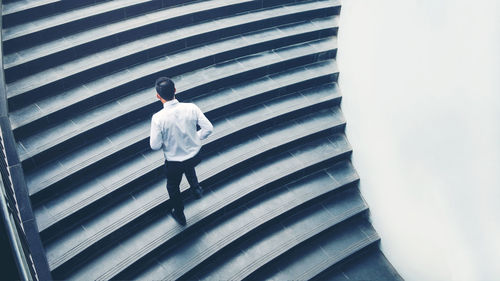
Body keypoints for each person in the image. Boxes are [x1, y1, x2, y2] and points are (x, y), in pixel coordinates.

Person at [150, 77, 213, 225]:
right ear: (175, 90)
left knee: (173, 187)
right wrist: (195, 138)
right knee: (189, 166)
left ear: (158, 96)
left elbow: (155, 145)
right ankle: (196, 188)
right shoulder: (191, 107)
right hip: (194, 156)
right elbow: (208, 128)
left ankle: (180, 215)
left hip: (174, 162)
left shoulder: (158, 118)